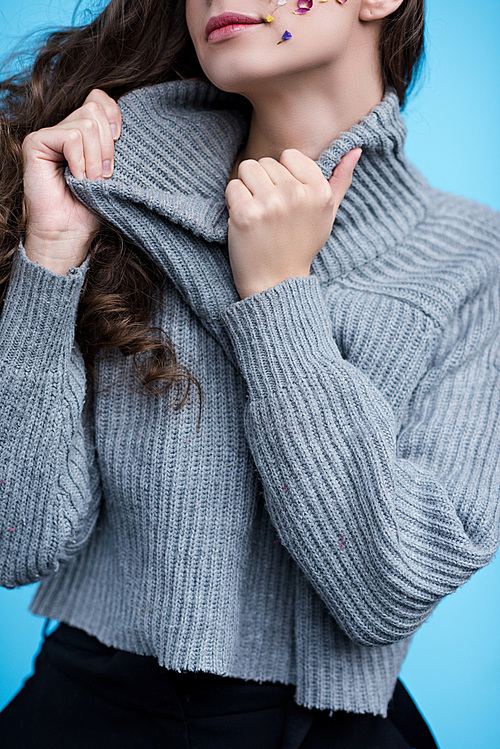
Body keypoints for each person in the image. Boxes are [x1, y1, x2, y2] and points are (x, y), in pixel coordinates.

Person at [0, 0, 498, 746]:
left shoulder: (473, 260)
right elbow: (17, 541)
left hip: (326, 728)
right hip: (81, 712)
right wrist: (51, 251)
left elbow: (384, 588)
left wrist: (276, 294)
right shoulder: (110, 191)